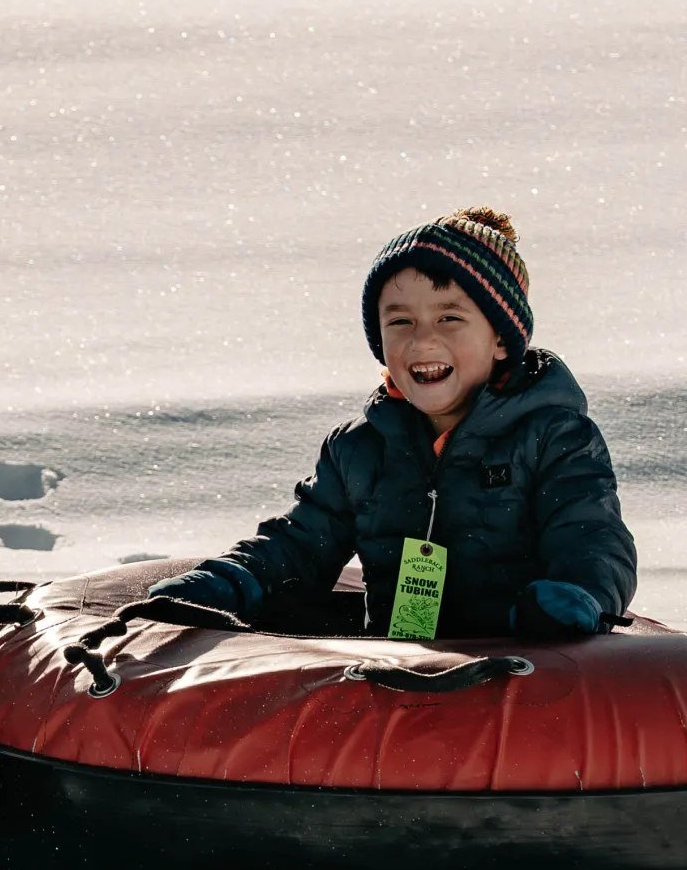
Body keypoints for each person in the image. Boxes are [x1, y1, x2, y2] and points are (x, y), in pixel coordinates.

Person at [149, 207, 635, 638]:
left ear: (502, 340)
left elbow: (590, 533)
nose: (422, 341)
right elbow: (300, 544)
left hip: (521, 679)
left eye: (450, 319)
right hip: (396, 691)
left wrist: (578, 594)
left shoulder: (552, 438)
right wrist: (233, 580)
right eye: (400, 322)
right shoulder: (361, 448)